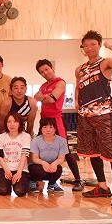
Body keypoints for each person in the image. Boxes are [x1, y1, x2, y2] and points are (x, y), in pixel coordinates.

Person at [76, 31, 112, 208]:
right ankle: (102, 186)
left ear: (99, 45)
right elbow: (78, 87)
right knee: (92, 152)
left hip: (103, 115)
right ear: (83, 48)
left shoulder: (105, 63)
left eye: (93, 44)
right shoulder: (80, 69)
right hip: (85, 116)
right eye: (86, 45)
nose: (89, 48)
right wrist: (76, 102)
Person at [34, 58, 84, 191]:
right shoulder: (43, 86)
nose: (45, 73)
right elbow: (37, 97)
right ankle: (36, 181)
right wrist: (45, 97)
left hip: (56, 120)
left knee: (65, 151)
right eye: (42, 72)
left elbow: (51, 99)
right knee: (37, 150)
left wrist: (44, 97)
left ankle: (78, 180)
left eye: (46, 69)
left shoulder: (60, 82)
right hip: (44, 120)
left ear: (52, 68)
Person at [0, 112, 31, 196]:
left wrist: (19, 173)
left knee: (20, 191)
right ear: (6, 123)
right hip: (5, 168)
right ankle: (8, 184)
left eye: (15, 121)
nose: (12, 124)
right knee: (2, 190)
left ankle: (20, 183)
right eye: (9, 122)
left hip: (21, 169)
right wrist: (6, 170)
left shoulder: (26, 136)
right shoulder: (1, 137)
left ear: (20, 123)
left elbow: (24, 155)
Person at [29, 118, 68, 193]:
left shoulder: (62, 141)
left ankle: (52, 183)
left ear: (55, 129)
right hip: (38, 165)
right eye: (45, 127)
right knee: (37, 170)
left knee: (58, 169)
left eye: (51, 127)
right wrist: (44, 163)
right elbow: (35, 158)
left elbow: (61, 158)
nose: (48, 130)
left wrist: (54, 164)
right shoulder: (35, 141)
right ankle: (33, 182)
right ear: (41, 129)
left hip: (52, 165)